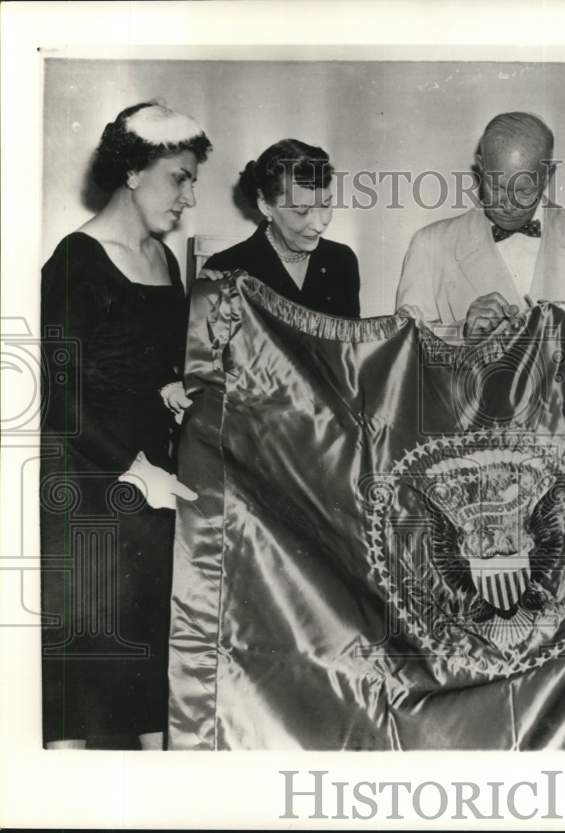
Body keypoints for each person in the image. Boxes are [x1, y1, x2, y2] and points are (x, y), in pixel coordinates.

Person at [40, 101, 210, 749]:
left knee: (146, 680)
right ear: (134, 172)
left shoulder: (163, 262)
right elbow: (55, 395)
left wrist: (168, 383)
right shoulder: (77, 262)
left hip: (148, 497)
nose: (188, 195)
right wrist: (137, 470)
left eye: (193, 179)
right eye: (179, 178)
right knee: (82, 693)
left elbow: (143, 363)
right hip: (86, 500)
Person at [395, 111, 565, 365]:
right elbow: (401, 352)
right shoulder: (430, 244)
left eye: (523, 189)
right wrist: (461, 332)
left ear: (548, 175)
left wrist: (564, 331)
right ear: (480, 166)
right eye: (496, 186)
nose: (507, 204)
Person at [204, 139, 360, 317]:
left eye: (325, 205)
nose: (319, 225)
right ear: (265, 205)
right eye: (302, 211)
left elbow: (351, 342)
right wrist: (202, 298)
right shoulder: (226, 268)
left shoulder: (341, 261)